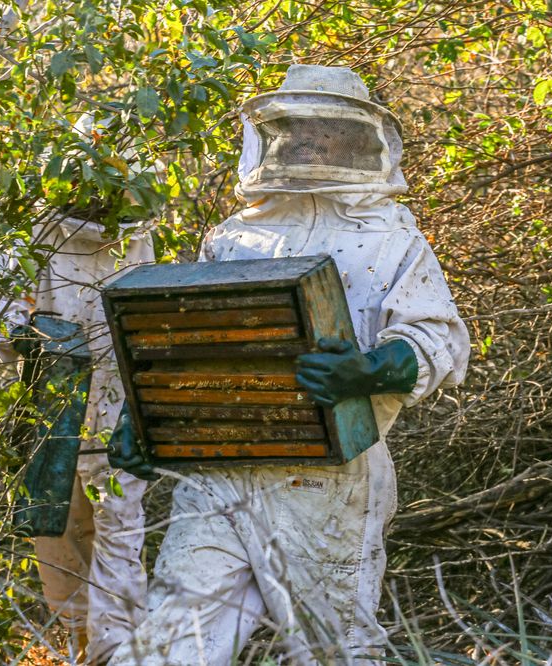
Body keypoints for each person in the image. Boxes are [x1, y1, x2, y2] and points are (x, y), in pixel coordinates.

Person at [107, 64, 470, 664]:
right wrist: (148, 425)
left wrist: (369, 369)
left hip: (327, 483)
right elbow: (186, 346)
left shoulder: (392, 238)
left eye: (326, 132)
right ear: (272, 138)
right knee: (169, 647)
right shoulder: (232, 240)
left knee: (335, 649)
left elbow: (438, 340)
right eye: (297, 130)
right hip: (217, 478)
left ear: (358, 139)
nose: (311, 145)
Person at [0, 115, 160, 664]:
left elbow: (150, 321)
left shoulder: (137, 235)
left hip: (120, 420)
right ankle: (80, 650)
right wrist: (26, 333)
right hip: (52, 420)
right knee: (60, 550)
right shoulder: (36, 233)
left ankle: (122, 653)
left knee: (119, 547)